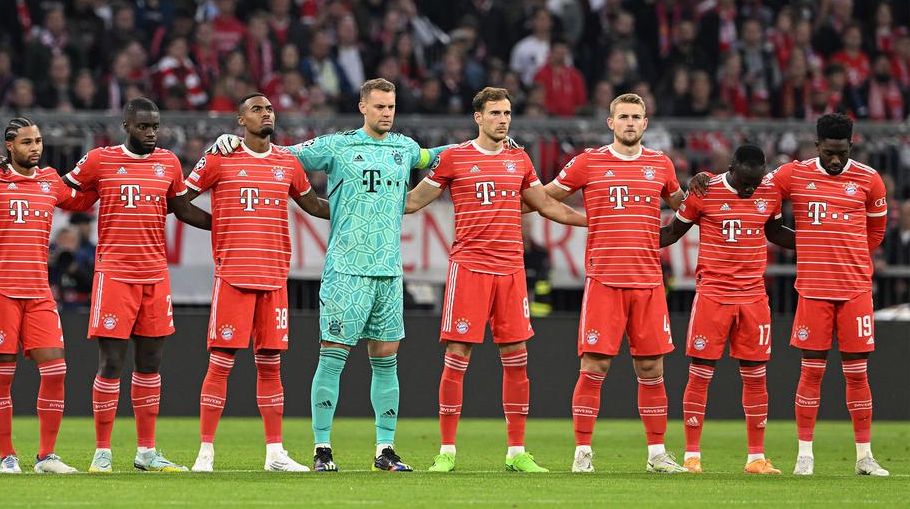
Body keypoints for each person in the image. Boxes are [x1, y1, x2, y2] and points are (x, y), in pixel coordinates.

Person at [209, 77, 447, 472]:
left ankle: (384, 451)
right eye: (379, 106)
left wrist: (484, 143)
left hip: (388, 271)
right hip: (346, 270)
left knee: (387, 361)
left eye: (391, 106)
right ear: (363, 108)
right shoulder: (336, 146)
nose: (387, 113)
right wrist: (232, 142)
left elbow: (438, 156)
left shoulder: (404, 149)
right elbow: (280, 154)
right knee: (333, 358)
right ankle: (322, 449)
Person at [404, 87, 587, 473]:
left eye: (507, 113)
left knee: (517, 360)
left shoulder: (519, 159)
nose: (503, 120)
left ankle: (516, 452)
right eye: (495, 113)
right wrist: (367, 201)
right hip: (468, 268)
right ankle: (447, 451)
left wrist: (596, 219)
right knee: (457, 357)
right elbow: (414, 200)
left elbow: (547, 205)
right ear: (478, 117)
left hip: (511, 271)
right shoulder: (454, 157)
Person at [543, 92, 690, 473]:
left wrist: (707, 189)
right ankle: (582, 454)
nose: (629, 122)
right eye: (622, 116)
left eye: (636, 116)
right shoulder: (589, 162)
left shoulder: (660, 165)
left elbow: (685, 209)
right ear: (610, 122)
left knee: (652, 369)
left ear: (645, 123)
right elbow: (542, 199)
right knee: (594, 365)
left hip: (648, 283)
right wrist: (581, 219)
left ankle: (657, 454)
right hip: (604, 280)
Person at [65, 97, 212, 473]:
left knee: (150, 364)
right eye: (144, 126)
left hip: (155, 276)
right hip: (114, 274)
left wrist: (225, 223)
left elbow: (182, 209)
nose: (151, 133)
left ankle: (146, 451)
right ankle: (102, 451)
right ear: (127, 125)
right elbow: (64, 190)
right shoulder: (100, 159)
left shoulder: (167, 163)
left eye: (155, 126)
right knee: (111, 362)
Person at [184, 93, 329, 473]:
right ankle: (205, 453)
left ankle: (275, 453)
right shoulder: (220, 157)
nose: (266, 113)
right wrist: (218, 224)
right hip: (233, 275)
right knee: (221, 363)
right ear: (240, 119)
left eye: (269, 108)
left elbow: (313, 206)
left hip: (274, 277)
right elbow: (180, 200)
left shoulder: (287, 162)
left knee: (270, 365)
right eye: (257, 109)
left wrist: (359, 207)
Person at [0, 118, 98, 473]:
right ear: (10, 146)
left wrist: (109, 178)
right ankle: (8, 456)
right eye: (26, 142)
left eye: (37, 141)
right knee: (2, 374)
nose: (34, 148)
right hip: (0, 288)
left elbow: (79, 201)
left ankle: (46, 456)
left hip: (38, 290)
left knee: (55, 370)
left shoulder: (50, 179)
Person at [757, 114, 886, 476]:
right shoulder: (793, 174)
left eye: (841, 153)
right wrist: (806, 243)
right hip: (813, 290)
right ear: (817, 147)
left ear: (851, 147)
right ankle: (805, 455)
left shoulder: (869, 180)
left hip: (855, 289)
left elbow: (875, 236)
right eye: (829, 153)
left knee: (857, 374)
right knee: (811, 372)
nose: (835, 160)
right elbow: (760, 196)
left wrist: (841, 250)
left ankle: (864, 457)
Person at [659, 144, 796, 474]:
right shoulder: (705, 190)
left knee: (756, 376)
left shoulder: (769, 191)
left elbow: (775, 230)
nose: (751, 189)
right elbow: (674, 232)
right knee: (701, 373)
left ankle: (756, 458)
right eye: (746, 181)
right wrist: (633, 237)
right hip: (713, 295)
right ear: (731, 168)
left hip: (753, 298)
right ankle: (692, 456)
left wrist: (818, 238)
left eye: (756, 182)